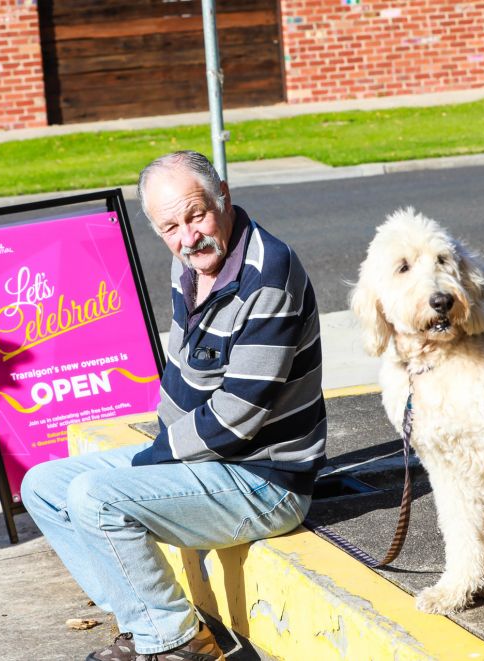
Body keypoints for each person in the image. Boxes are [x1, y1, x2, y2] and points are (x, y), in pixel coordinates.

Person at [21, 151, 327, 661]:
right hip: (205, 462)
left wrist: (150, 462)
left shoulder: (267, 274)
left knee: (98, 498)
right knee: (45, 487)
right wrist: (158, 455)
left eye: (197, 214)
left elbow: (237, 416)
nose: (188, 237)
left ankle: (178, 642)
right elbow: (181, 373)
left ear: (223, 196)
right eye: (171, 226)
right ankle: (141, 622)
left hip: (265, 479)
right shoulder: (188, 265)